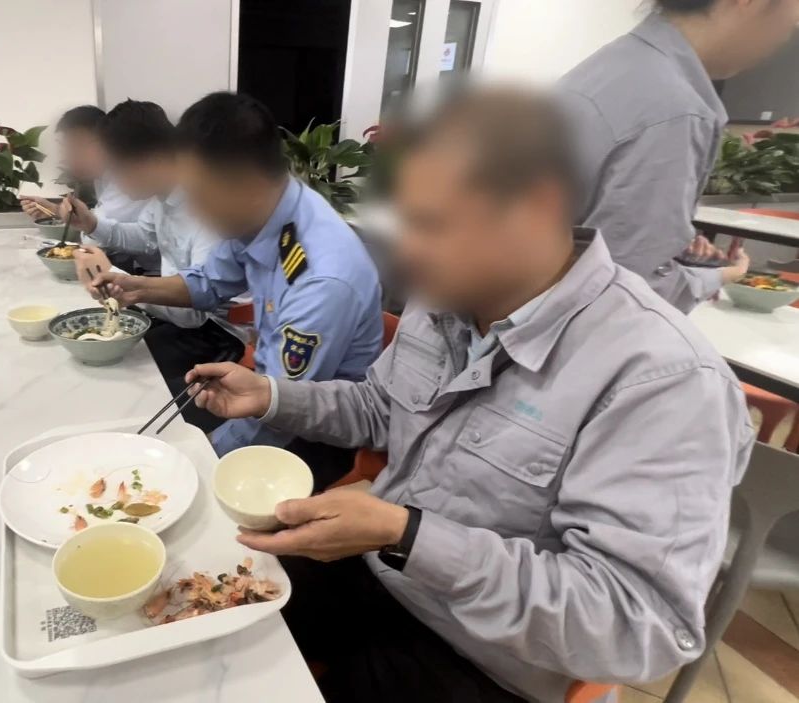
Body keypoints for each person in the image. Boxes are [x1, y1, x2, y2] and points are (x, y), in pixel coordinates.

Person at [184, 88, 753, 702]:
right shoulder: (447, 298)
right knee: (193, 614)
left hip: (479, 658)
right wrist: (272, 395)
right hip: (376, 573)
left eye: (432, 225)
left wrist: (408, 535)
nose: (406, 253)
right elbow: (380, 408)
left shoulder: (660, 380)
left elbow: (638, 625)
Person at [92, 92, 382, 481]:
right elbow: (209, 282)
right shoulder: (266, 214)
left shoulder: (321, 279)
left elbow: (281, 412)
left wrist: (204, 459)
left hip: (312, 435)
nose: (193, 211)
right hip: (263, 388)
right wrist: (135, 288)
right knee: (139, 415)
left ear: (243, 184)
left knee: (165, 466)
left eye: (198, 196)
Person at [560, 0, 799, 312]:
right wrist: (718, 277)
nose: (785, 38)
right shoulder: (674, 109)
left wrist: (671, 247)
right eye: (790, 22)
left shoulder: (608, 67)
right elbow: (627, 293)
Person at [60, 100, 246, 431]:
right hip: (184, 319)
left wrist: (116, 278)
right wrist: (91, 224)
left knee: (125, 390)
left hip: (223, 335)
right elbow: (143, 237)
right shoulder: (164, 198)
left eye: (117, 169)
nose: (115, 181)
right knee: (99, 359)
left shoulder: (207, 208)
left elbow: (194, 312)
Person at [19, 104, 147, 226]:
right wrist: (55, 210)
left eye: (74, 148)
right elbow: (100, 221)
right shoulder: (102, 177)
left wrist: (58, 212)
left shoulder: (127, 181)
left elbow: (102, 229)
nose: (66, 159)